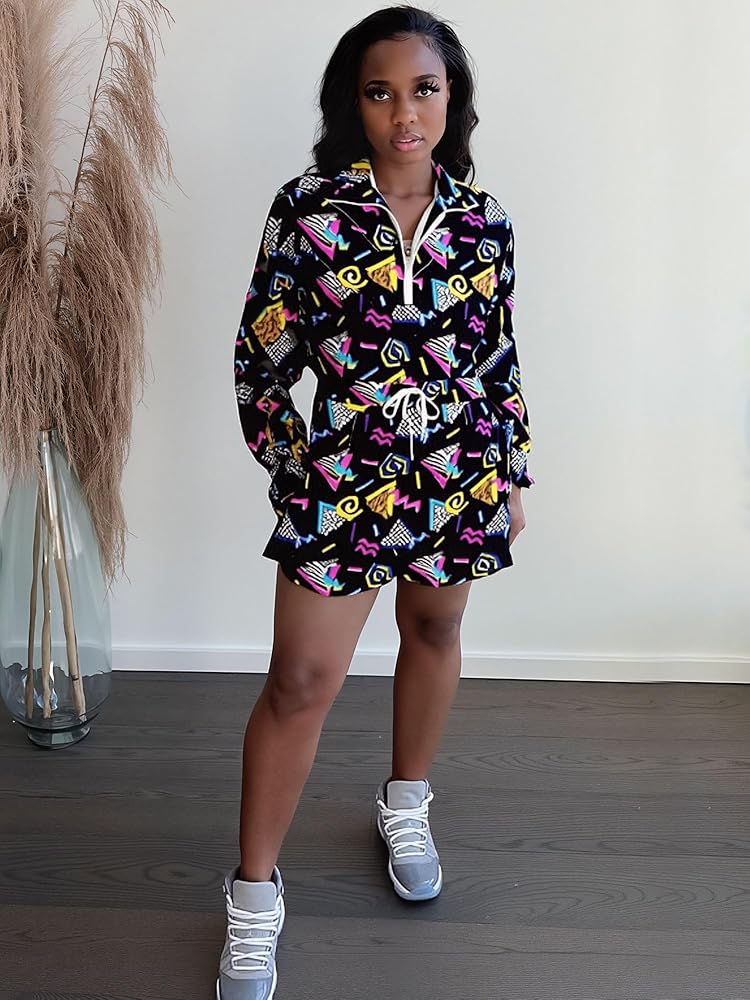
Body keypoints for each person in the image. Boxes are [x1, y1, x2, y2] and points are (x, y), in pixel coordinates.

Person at [217, 6, 535, 997]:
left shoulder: (485, 220)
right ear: (351, 104)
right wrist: (296, 471)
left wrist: (512, 468)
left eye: (424, 89)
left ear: (452, 98)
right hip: (345, 479)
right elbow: (261, 357)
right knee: (299, 681)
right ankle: (253, 899)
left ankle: (406, 803)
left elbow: (498, 355)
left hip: (459, 467)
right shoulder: (308, 211)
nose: (405, 112)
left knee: (435, 630)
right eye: (380, 91)